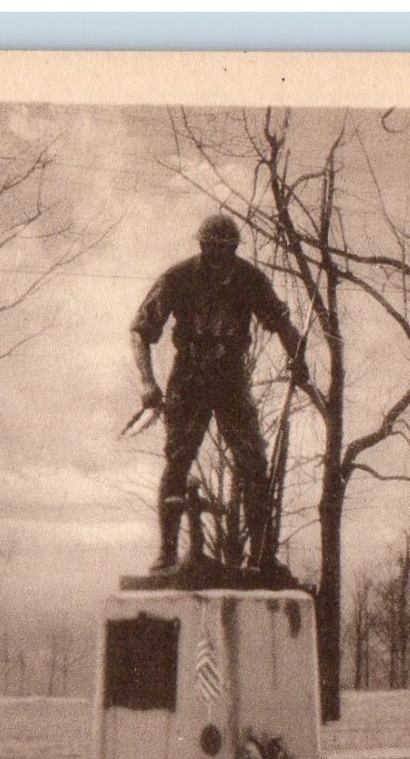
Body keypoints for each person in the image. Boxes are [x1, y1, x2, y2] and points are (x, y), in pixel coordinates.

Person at [131, 213, 307, 573]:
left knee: (254, 463)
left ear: (233, 250)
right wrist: (148, 382)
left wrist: (298, 359)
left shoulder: (249, 279)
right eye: (210, 249)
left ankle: (262, 558)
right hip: (189, 377)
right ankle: (166, 552)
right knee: (178, 459)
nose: (217, 257)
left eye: (225, 251)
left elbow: (281, 322)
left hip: (230, 377)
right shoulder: (178, 278)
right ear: (201, 247)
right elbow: (140, 330)